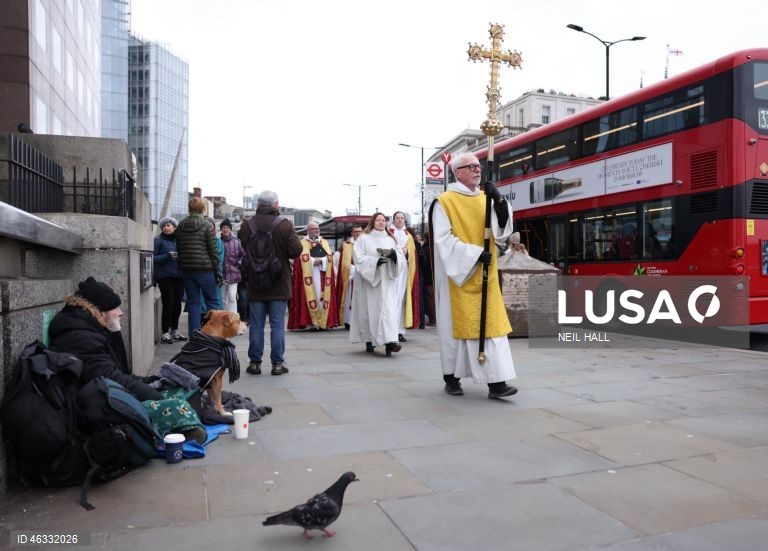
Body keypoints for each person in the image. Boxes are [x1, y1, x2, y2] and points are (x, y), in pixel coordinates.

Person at [48, 278, 205, 439]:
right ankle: (186, 427)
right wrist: (155, 395)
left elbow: (119, 372)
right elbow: (111, 378)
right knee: (174, 403)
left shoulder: (90, 330)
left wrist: (151, 381)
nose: (120, 312)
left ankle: (189, 419)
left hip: (109, 394)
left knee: (181, 388)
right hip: (98, 407)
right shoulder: (80, 337)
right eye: (115, 308)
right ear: (100, 312)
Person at [431, 153, 518, 399]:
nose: (477, 170)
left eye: (478, 166)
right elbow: (443, 240)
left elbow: (502, 232)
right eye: (471, 167)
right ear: (457, 172)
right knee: (456, 329)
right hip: (458, 274)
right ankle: (452, 378)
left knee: (492, 327)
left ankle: (497, 382)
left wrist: (499, 201)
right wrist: (474, 254)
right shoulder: (444, 202)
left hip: (486, 273)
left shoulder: (486, 198)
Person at [240, 191, 302, 376]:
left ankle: (254, 363)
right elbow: (296, 250)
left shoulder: (246, 224)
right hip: (279, 283)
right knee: (277, 325)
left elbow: (243, 247)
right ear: (275, 205)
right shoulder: (284, 224)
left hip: (255, 283)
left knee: (256, 325)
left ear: (258, 204)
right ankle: (277, 364)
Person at [349, 212, 406, 356]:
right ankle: (369, 340)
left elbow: (401, 258)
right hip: (370, 282)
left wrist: (394, 257)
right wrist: (374, 262)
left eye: (383, 221)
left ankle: (390, 342)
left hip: (387, 280)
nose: (381, 223)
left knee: (388, 311)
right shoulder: (364, 239)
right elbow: (358, 258)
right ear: (373, 222)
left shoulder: (391, 239)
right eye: (378, 220)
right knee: (370, 311)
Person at [175, 197, 222, 336]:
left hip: (187, 270)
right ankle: (214, 335)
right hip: (205, 269)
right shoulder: (207, 225)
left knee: (193, 304)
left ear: (189, 209)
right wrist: (217, 270)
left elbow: (179, 249)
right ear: (203, 209)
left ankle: (194, 337)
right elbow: (213, 251)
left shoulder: (181, 226)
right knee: (212, 302)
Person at [288, 221, 340, 331]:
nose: (316, 231)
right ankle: (310, 322)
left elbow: (329, 257)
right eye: (313, 229)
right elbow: (298, 259)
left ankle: (323, 322)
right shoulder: (301, 242)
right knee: (308, 296)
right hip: (308, 276)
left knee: (321, 297)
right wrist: (312, 261)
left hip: (322, 274)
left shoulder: (324, 242)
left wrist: (321, 260)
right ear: (308, 230)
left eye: (317, 229)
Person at [153, 216, 187, 344]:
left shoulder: (179, 240)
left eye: (169, 225)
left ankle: (175, 330)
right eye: (164, 226)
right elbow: (153, 258)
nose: (167, 228)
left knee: (178, 303)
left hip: (179, 276)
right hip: (165, 276)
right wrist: (167, 256)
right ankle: (165, 333)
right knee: (169, 303)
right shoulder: (158, 240)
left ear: (174, 227)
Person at [388, 211, 420, 342]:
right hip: (392, 269)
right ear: (394, 220)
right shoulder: (389, 233)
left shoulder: (409, 236)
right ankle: (390, 330)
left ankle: (399, 331)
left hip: (404, 271)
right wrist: (399, 250)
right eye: (397, 218)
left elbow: (413, 254)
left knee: (401, 299)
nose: (400, 220)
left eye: (402, 218)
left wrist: (407, 252)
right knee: (391, 299)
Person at [336, 224, 362, 329]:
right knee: (348, 298)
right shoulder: (346, 245)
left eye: (360, 231)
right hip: (350, 276)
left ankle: (360, 322)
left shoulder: (365, 244)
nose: (358, 233)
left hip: (363, 275)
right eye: (356, 231)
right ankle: (348, 321)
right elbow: (344, 262)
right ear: (352, 233)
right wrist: (353, 269)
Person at [219, 218, 245, 313]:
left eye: (227, 227)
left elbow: (244, 255)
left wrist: (238, 264)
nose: (225, 229)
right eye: (223, 227)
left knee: (232, 296)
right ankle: (224, 317)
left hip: (234, 274)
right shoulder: (218, 242)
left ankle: (233, 317)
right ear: (221, 229)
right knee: (223, 299)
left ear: (230, 229)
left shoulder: (237, 242)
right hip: (221, 274)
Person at [420, 231, 436, 326]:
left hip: (428, 276)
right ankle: (434, 317)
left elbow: (424, 264)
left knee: (429, 298)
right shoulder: (436, 248)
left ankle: (432, 318)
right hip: (435, 276)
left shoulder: (425, 249)